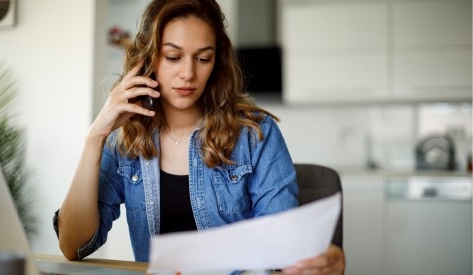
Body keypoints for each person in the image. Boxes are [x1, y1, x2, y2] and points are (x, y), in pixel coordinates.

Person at [54, 0, 345, 274]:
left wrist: (322, 260)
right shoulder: (125, 140)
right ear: (147, 60)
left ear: (216, 64)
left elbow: (281, 251)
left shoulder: (255, 134)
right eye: (173, 57)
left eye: (203, 58)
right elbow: (73, 246)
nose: (188, 73)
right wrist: (96, 135)